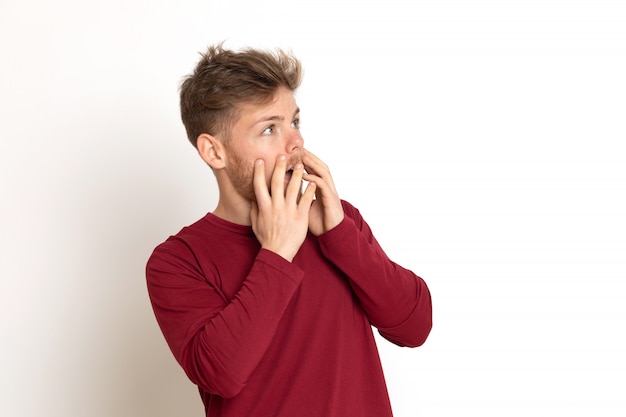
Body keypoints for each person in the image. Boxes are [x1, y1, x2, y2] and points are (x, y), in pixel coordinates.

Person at [146, 43, 433, 417]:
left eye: (294, 122)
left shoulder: (337, 222)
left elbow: (415, 326)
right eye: (269, 129)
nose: (295, 142)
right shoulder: (178, 261)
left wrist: (341, 235)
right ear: (213, 152)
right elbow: (222, 374)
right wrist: (277, 252)